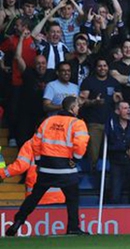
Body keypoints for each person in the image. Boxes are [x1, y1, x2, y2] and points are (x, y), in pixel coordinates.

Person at [5, 97, 89, 236]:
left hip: (46, 168)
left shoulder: (47, 121)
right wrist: (76, 159)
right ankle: (73, 227)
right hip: (66, 169)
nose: (79, 109)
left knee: (34, 197)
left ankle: (19, 220)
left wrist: (38, 161)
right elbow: (81, 144)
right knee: (72, 198)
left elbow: (36, 143)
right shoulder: (77, 123)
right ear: (72, 108)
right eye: (78, 106)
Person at [0, 137, 65, 205]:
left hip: (36, 197)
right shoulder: (62, 143)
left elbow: (21, 166)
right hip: (60, 196)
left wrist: (2, 173)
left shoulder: (31, 144)